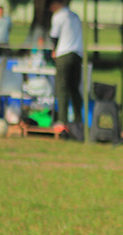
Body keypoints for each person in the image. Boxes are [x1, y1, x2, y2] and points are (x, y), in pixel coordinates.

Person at [49, 0, 84, 137]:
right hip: (78, 55)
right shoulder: (75, 16)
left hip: (64, 54)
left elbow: (54, 36)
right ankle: (78, 120)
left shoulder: (59, 16)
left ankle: (62, 122)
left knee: (62, 88)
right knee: (74, 89)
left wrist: (54, 50)